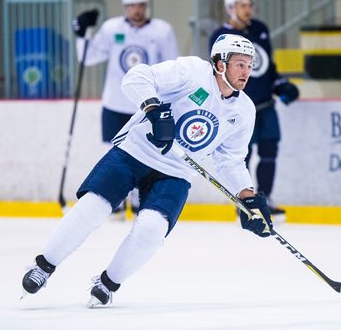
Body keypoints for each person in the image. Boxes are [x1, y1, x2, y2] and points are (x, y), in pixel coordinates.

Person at [21, 34, 274, 308]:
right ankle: (43, 266)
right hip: (135, 151)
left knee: (152, 229)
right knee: (93, 207)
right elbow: (137, 76)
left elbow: (231, 160)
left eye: (250, 64)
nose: (247, 71)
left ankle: (107, 283)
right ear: (219, 64)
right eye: (240, 63)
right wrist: (153, 110)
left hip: (176, 171)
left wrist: (247, 197)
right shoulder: (192, 72)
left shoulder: (244, 110)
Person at [72, 0, 179, 217]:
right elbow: (88, 57)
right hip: (114, 102)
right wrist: (81, 33)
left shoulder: (162, 31)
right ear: (125, 7)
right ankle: (116, 200)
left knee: (145, 153)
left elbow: (173, 65)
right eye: (131, 6)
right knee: (112, 152)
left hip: (146, 105)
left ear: (146, 6)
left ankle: (138, 199)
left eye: (139, 5)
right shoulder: (112, 29)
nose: (136, 10)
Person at [209, 0, 299, 218]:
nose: (248, 9)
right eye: (243, 5)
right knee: (241, 156)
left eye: (250, 5)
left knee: (270, 151)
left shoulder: (260, 29)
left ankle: (266, 198)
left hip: (266, 104)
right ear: (231, 8)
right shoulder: (221, 37)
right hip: (238, 108)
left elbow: (267, 67)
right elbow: (218, 73)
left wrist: (279, 85)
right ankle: (245, 201)